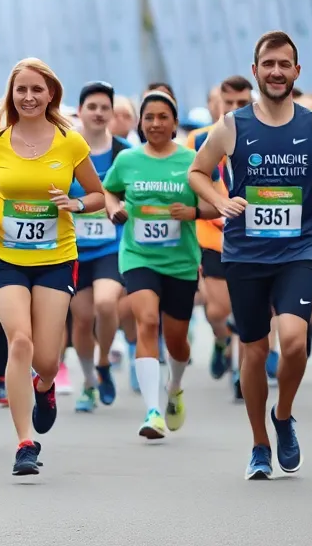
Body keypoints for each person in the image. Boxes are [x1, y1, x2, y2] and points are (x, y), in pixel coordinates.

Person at [189, 31, 312, 480]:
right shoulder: (232, 126)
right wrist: (220, 202)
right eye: (268, 64)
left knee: (294, 341)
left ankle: (284, 415)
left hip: (298, 249)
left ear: (296, 72)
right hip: (245, 253)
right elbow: (198, 172)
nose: (276, 72)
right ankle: (260, 442)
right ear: (256, 70)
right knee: (255, 350)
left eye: (285, 64)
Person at [0, 58, 104, 477]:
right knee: (19, 340)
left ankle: (46, 386)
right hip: (5, 257)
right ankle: (25, 441)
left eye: (36, 90)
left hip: (55, 258)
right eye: (21, 90)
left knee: (45, 359)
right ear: (12, 95)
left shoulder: (70, 142)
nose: (28, 97)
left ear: (50, 95)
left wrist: (75, 203)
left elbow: (98, 195)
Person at [104, 91, 217, 439]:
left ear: (174, 122)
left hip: (181, 261)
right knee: (147, 322)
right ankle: (152, 411)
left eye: (162, 117)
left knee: (177, 341)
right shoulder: (127, 160)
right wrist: (113, 209)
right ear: (140, 122)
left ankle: (175, 385)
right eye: (149, 117)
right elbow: (110, 190)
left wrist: (194, 213)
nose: (155, 124)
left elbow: (216, 204)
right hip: (139, 256)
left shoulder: (192, 160)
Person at [186, 75, 253, 391]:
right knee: (218, 310)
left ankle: (242, 374)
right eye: (230, 104)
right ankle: (221, 341)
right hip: (211, 236)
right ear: (218, 105)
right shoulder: (199, 140)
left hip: (252, 237)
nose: (236, 109)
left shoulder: (262, 137)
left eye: (243, 103)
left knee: (245, 309)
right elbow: (189, 183)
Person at [68, 81, 129, 412]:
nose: (98, 113)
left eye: (105, 107)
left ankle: (104, 360)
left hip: (110, 245)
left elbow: (137, 192)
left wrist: (124, 208)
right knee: (81, 319)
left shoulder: (124, 151)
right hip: (73, 247)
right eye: (92, 107)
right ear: (80, 111)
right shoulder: (66, 149)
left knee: (106, 305)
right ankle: (90, 380)